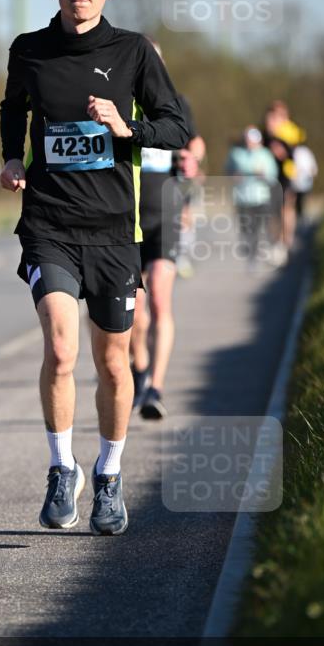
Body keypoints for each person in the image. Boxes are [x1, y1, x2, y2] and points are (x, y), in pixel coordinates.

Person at [0, 0, 188, 536]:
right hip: (49, 225)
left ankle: (107, 475)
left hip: (113, 232)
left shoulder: (132, 51)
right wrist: (10, 157)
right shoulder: (28, 50)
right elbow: (13, 107)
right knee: (60, 348)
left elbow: (178, 127)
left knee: (112, 360)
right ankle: (61, 467)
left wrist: (125, 125)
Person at [129, 41, 206, 419]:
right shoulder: (120, 101)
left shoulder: (176, 102)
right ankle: (138, 372)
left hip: (167, 212)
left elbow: (195, 144)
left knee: (159, 298)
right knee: (135, 314)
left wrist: (193, 160)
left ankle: (155, 388)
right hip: (127, 218)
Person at [224, 126, 279, 265]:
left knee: (262, 227)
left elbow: (273, 176)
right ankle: (252, 256)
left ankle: (265, 252)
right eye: (248, 140)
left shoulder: (265, 154)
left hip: (261, 197)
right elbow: (227, 170)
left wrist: (263, 176)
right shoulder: (236, 153)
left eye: (253, 141)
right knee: (248, 229)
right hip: (242, 197)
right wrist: (234, 176)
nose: (250, 143)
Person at [262, 99, 306, 260]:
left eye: (279, 115)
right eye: (272, 115)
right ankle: (278, 243)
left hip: (287, 174)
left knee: (285, 209)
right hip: (270, 176)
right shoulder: (265, 132)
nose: (274, 118)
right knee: (273, 212)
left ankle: (286, 241)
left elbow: (292, 152)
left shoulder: (290, 131)